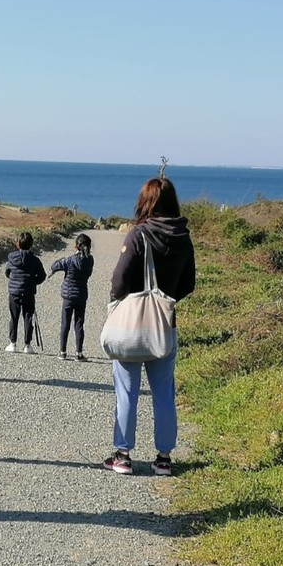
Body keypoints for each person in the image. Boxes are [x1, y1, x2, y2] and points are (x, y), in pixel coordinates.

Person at [104, 177, 196, 477]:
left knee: (127, 390)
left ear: (145, 202)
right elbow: (188, 283)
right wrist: (164, 300)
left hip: (132, 325)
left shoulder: (138, 235)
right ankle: (164, 458)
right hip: (164, 325)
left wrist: (119, 302)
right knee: (164, 393)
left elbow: (119, 280)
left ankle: (122, 455)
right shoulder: (183, 236)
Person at [50, 233, 95, 360]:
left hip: (68, 296)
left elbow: (54, 266)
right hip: (81, 295)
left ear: (76, 246)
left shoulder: (70, 260)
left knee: (65, 323)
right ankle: (79, 353)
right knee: (79, 324)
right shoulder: (90, 260)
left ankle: (63, 351)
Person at [4, 231, 47, 354]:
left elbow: (7, 272)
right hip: (28, 292)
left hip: (14, 291)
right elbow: (42, 276)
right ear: (31, 244)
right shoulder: (35, 260)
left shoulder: (12, 258)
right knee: (28, 318)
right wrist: (34, 282)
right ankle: (27, 345)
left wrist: (13, 279)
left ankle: (12, 343)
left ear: (18, 244)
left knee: (14, 317)